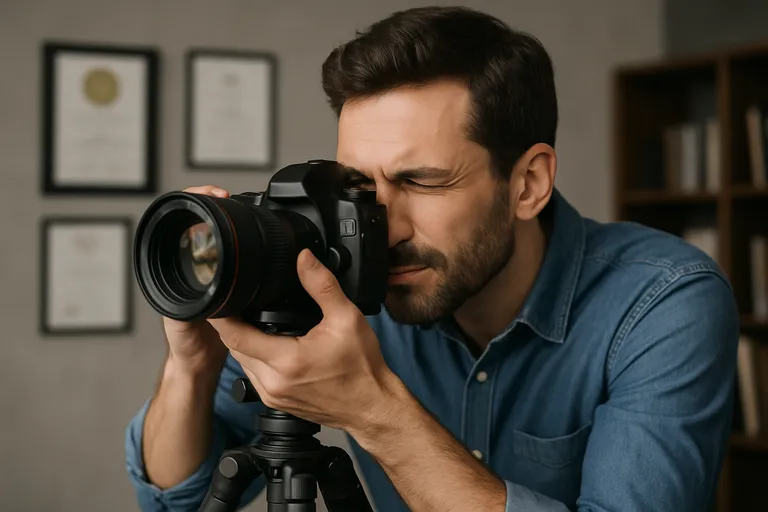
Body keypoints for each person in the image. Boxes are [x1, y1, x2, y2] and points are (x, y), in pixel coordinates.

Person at [125, 6, 740, 512]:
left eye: (421, 182)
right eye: (360, 189)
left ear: (528, 183)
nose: (382, 228)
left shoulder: (662, 299)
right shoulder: (339, 290)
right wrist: (191, 365)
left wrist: (377, 413)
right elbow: (173, 500)